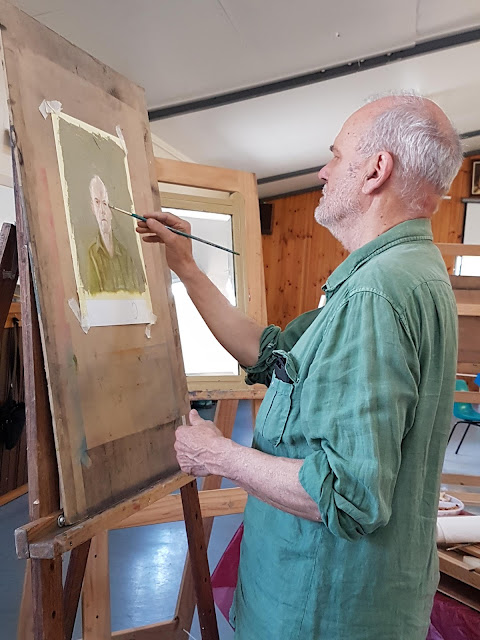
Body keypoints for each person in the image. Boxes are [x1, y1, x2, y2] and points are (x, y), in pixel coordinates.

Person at [137, 94, 463, 640]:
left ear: (376, 170)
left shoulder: (375, 296)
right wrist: (186, 266)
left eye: (337, 155)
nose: (323, 171)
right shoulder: (410, 270)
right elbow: (272, 354)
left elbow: (347, 495)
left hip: (321, 609)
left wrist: (218, 455)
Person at [87, 175, 145, 294]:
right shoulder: (91, 254)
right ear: (92, 208)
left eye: (105, 203)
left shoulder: (125, 254)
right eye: (97, 203)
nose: (102, 211)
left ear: (111, 210)